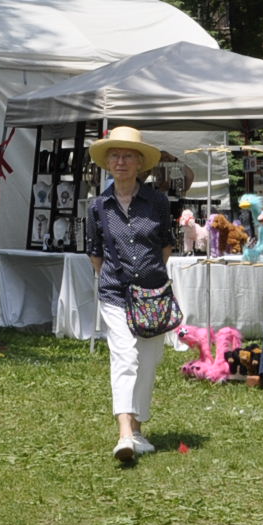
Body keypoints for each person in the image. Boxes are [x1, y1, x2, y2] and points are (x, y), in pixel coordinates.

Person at [85, 126, 178, 465]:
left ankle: (137, 428)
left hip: (153, 295)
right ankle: (124, 433)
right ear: (107, 163)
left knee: (147, 363)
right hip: (114, 293)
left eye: (127, 156)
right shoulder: (98, 206)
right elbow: (95, 253)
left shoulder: (157, 202)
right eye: (115, 156)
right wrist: (121, 280)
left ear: (140, 164)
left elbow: (166, 245)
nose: (121, 162)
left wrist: (147, 282)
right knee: (124, 356)